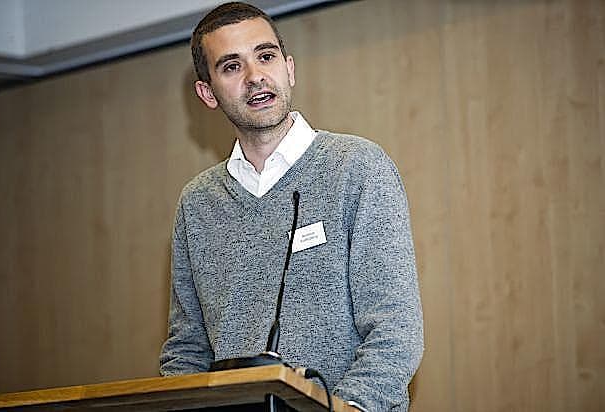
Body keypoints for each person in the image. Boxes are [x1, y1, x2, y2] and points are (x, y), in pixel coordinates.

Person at [159, 2, 424, 411]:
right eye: (232, 67)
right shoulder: (196, 203)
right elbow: (187, 350)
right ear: (207, 93)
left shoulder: (356, 167)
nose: (255, 77)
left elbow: (394, 331)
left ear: (289, 68)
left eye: (265, 57)